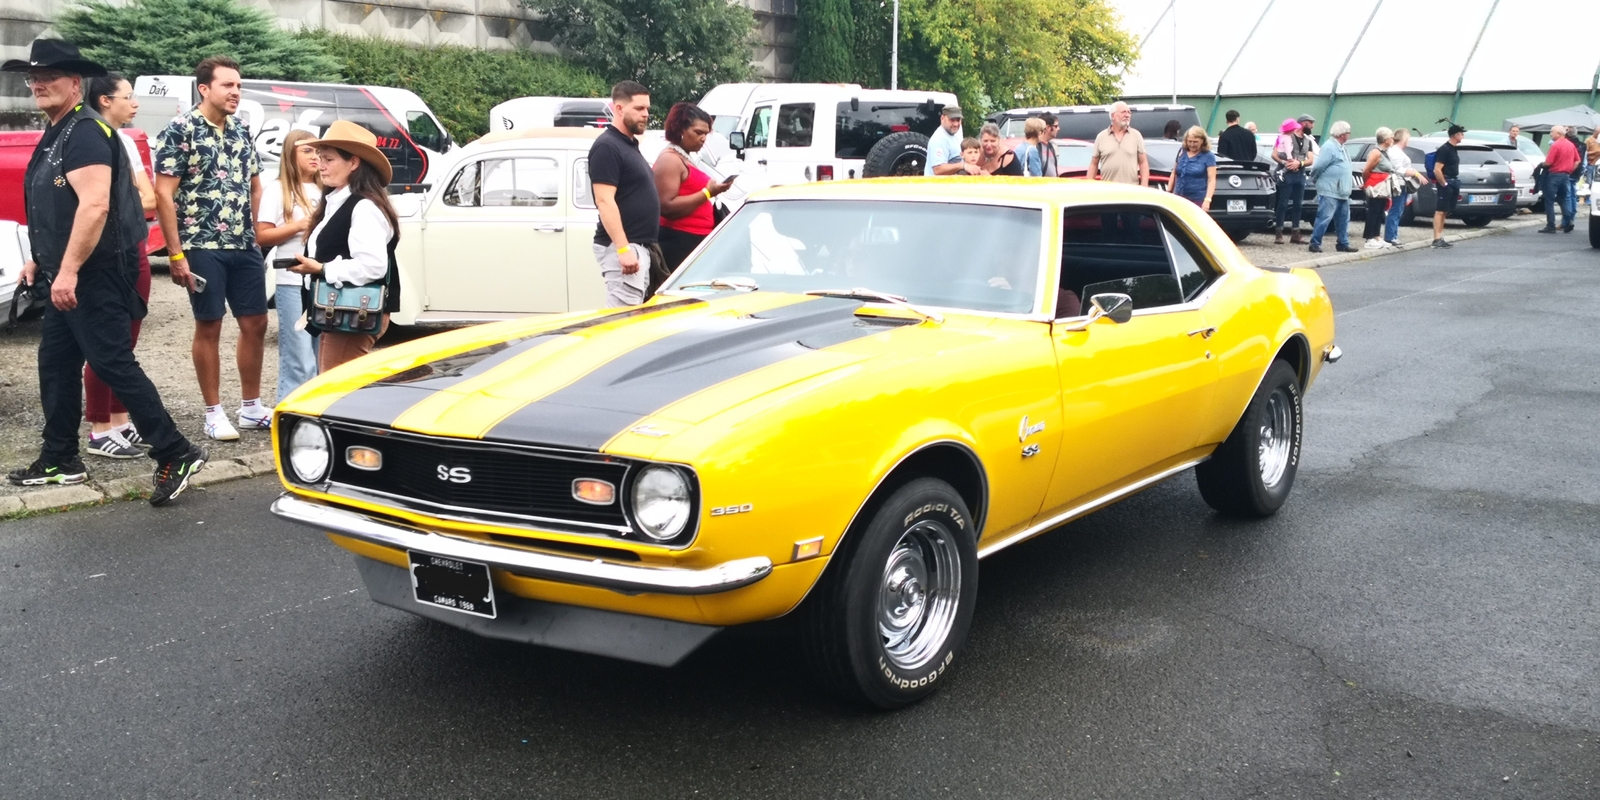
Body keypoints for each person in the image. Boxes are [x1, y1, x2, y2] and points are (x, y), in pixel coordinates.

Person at [4, 39, 205, 504]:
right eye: (33, 78)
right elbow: (57, 208)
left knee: (112, 361)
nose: (38, 84)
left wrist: (69, 271)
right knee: (55, 364)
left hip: (95, 273)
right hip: (68, 272)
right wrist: (40, 258)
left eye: (49, 76)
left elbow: (95, 206)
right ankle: (60, 458)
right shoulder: (59, 130)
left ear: (75, 83)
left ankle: (176, 451)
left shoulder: (86, 132)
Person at [155, 56, 268, 442]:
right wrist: (175, 254)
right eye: (227, 85)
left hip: (243, 242)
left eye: (239, 85)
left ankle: (251, 408)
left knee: (256, 323)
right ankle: (213, 413)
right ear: (204, 89)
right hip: (201, 243)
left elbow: (255, 184)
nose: (236, 92)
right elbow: (163, 194)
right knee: (210, 324)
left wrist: (255, 231)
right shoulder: (180, 129)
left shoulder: (241, 129)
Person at [80, 71, 155, 459]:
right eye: (129, 96)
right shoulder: (89, 139)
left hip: (133, 247)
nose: (136, 103)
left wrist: (118, 205)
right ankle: (99, 428)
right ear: (105, 100)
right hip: (105, 253)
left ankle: (120, 420)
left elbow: (149, 198)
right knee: (105, 343)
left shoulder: (125, 140)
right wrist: (122, 204)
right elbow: (93, 204)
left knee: (127, 342)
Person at [287, 121, 400, 372]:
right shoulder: (339, 202)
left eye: (328, 159)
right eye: (320, 158)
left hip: (354, 311)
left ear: (354, 163)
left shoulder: (363, 207)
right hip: (342, 310)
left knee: (337, 386)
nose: (321, 165)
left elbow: (373, 266)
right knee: (335, 381)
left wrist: (322, 269)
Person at [255, 129, 321, 402]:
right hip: (292, 281)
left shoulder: (327, 188)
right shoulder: (278, 189)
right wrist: (298, 226)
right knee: (299, 354)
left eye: (318, 151)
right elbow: (262, 235)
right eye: (307, 150)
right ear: (290, 155)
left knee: (321, 354)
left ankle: (315, 411)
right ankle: (290, 410)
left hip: (322, 279)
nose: (315, 156)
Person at [588, 81, 660, 307]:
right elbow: (604, 200)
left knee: (634, 315)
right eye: (639, 108)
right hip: (623, 247)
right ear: (619, 108)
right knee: (623, 318)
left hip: (638, 247)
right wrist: (623, 249)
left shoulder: (628, 144)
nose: (645, 114)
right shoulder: (607, 147)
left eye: (647, 108)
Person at [653, 102, 734, 276]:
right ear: (680, 129)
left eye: (706, 134)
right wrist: (707, 193)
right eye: (698, 132)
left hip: (696, 239)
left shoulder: (685, 157)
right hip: (679, 241)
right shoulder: (670, 160)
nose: (703, 138)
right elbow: (666, 206)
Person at [1308, 120, 1355, 254]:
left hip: (1342, 190)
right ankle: (1315, 243)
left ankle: (1343, 243)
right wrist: (1315, 179)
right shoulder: (1329, 147)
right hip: (1330, 189)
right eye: (1348, 132)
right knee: (1324, 217)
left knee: (1343, 219)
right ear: (1342, 134)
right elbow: (1318, 166)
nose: (1349, 134)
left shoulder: (1342, 147)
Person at [1273, 117, 1316, 244]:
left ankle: (1295, 233)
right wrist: (1285, 163)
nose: (1312, 126)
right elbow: (1274, 154)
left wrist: (1299, 163)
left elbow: (1311, 160)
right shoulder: (1284, 136)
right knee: (1283, 203)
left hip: (1300, 174)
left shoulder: (1308, 141)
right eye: (1311, 123)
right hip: (1286, 174)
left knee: (1298, 204)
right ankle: (1279, 233)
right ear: (1303, 123)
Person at [1087, 102, 1149, 186]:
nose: (1127, 115)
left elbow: (1143, 163)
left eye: (1129, 112)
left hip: (1132, 190)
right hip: (1108, 189)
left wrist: (1144, 186)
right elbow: (1094, 164)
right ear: (1113, 116)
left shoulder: (1136, 135)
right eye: (1123, 112)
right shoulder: (1101, 137)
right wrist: (1088, 186)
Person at [1383, 128, 1423, 246]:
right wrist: (1414, 173)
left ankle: (1393, 235)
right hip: (1398, 184)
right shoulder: (1395, 152)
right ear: (1403, 138)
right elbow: (1397, 169)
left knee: (1399, 209)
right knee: (1396, 209)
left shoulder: (1397, 151)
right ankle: (1390, 236)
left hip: (1402, 183)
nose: (1409, 140)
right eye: (1408, 137)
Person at [1360, 127, 1397, 249]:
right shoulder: (1376, 152)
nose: (1393, 140)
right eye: (1391, 137)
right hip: (1376, 185)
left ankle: (1376, 236)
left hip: (1383, 186)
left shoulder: (1385, 152)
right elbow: (1366, 170)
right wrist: (1367, 184)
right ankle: (1369, 238)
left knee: (1380, 210)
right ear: (1386, 139)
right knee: (1373, 211)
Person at [1538, 124, 1578, 233]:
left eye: (1552, 132)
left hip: (1554, 175)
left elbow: (1549, 162)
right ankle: (1568, 221)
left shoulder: (1555, 145)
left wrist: (1541, 165)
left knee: (1549, 200)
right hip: (1566, 175)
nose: (1550, 134)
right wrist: (1569, 170)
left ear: (1559, 134)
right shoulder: (1571, 145)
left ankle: (1551, 225)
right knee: (1563, 199)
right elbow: (1577, 161)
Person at [1430, 124, 1465, 248]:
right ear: (1456, 135)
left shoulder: (1454, 149)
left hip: (1454, 181)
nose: (1463, 136)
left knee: (1446, 211)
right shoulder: (1444, 149)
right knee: (1440, 210)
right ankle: (1436, 239)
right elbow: (1437, 169)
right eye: (1461, 134)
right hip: (1446, 181)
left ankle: (1440, 237)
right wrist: (1444, 184)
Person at [1171, 125, 1216, 209]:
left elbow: (1211, 180)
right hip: (1178, 198)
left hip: (1197, 200)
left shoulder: (1208, 156)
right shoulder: (1182, 151)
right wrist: (1169, 192)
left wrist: (1207, 200)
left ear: (1202, 141)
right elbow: (1174, 172)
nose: (1192, 144)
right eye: (1189, 141)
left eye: (1195, 142)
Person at [925, 105, 978, 176]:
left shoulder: (951, 135)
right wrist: (963, 165)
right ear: (942, 118)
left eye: (958, 120)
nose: (956, 124)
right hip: (937, 183)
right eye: (952, 120)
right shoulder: (939, 139)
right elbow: (938, 170)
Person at [1036, 112, 1059, 176]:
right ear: (1048, 127)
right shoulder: (1035, 147)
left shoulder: (1051, 146)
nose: (1058, 129)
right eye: (1056, 126)